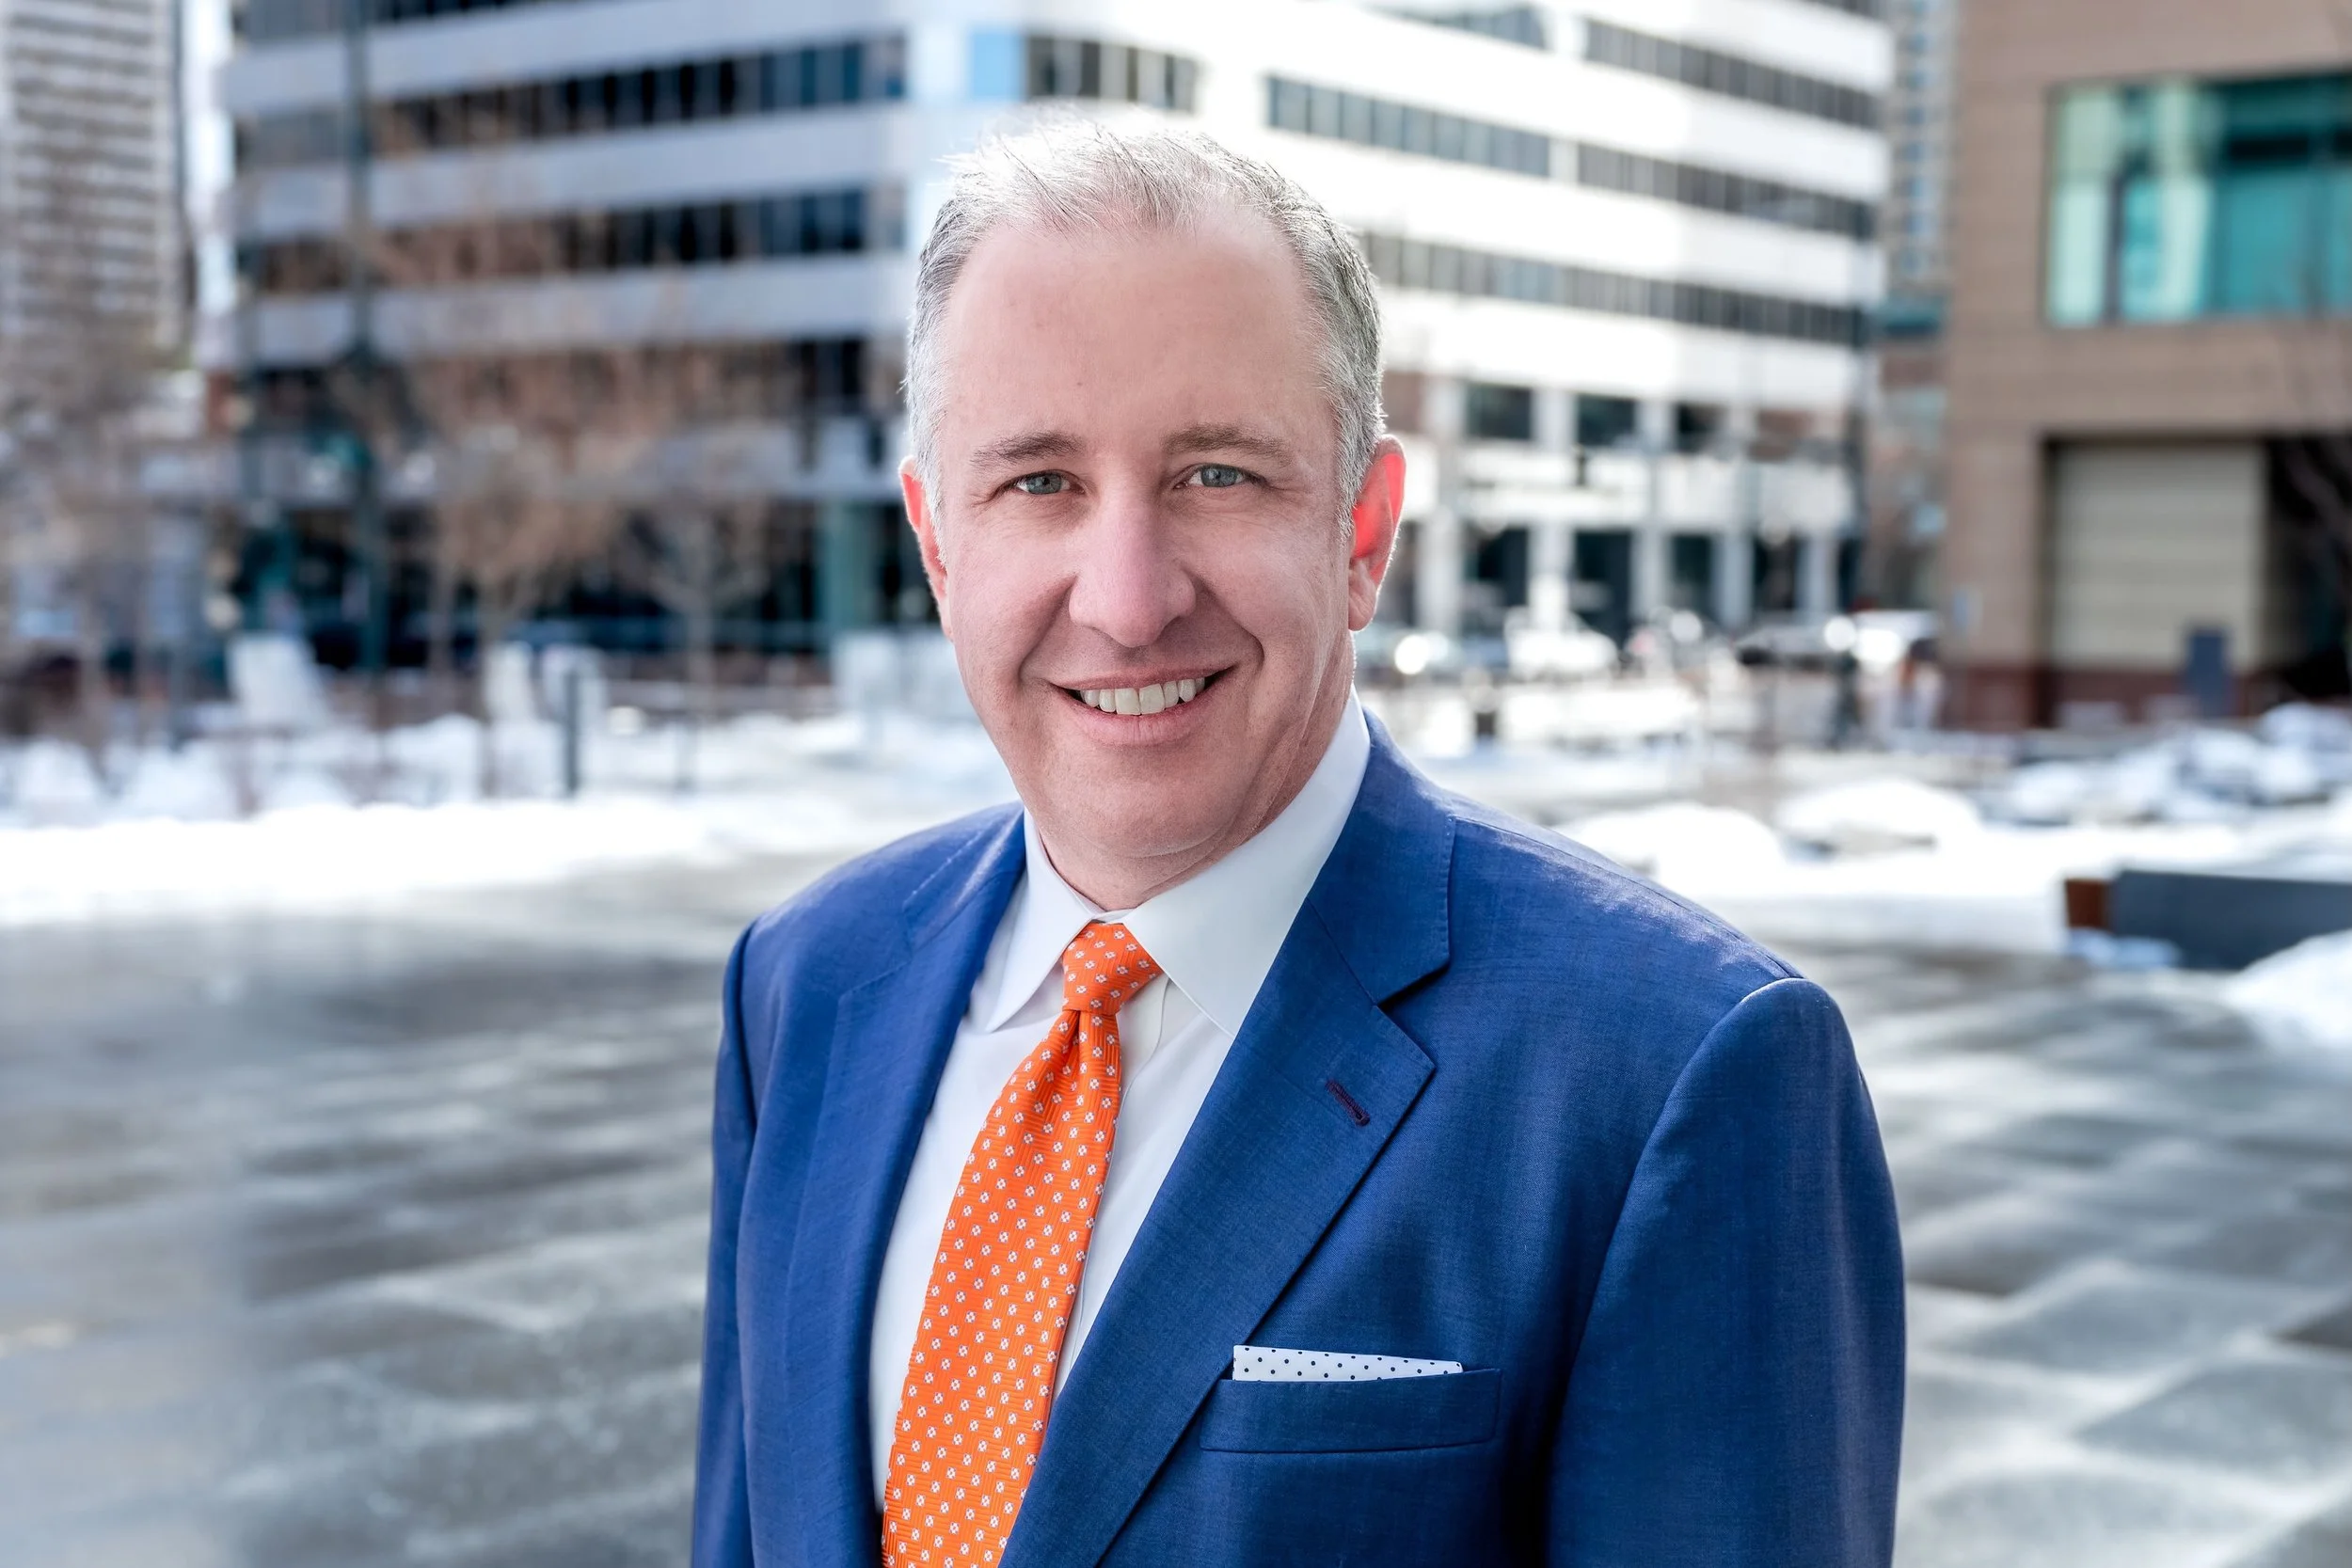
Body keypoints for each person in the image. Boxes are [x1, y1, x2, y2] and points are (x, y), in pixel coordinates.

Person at [692, 121, 1903, 1568]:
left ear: (1364, 531)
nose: (1129, 600)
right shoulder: (804, 985)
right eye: (1039, 482)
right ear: (938, 544)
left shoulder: (1672, 1076)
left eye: (1217, 474)